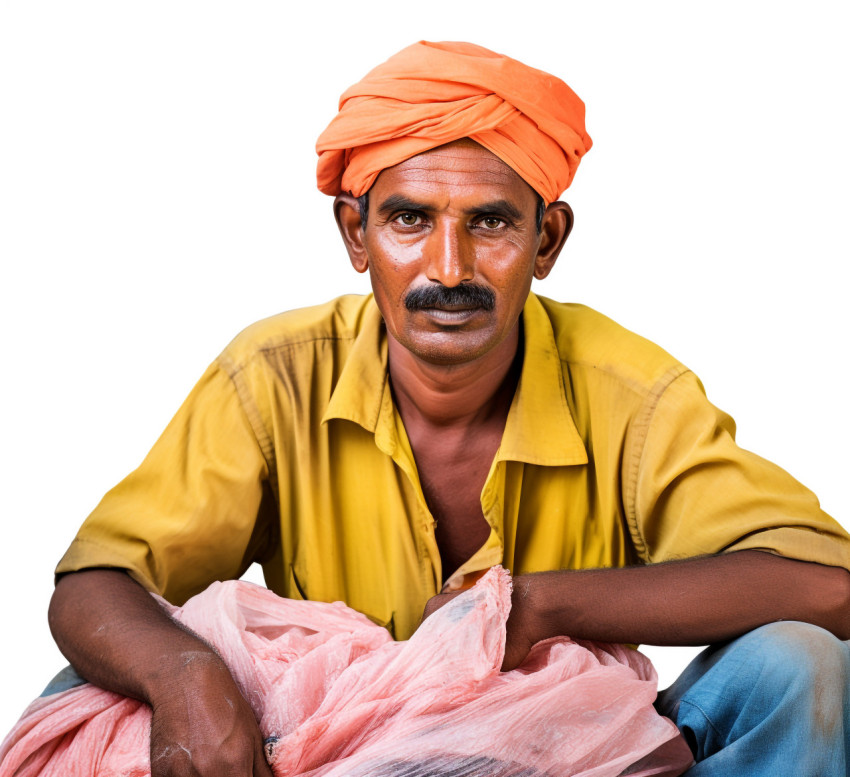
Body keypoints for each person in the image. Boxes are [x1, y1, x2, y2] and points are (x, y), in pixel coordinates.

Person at [46, 41, 850, 776]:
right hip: (330, 751)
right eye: (409, 219)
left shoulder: (628, 391)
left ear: (547, 241)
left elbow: (830, 587)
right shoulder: (272, 375)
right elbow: (95, 587)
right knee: (88, 686)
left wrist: (537, 604)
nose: (449, 265)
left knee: (801, 664)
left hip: (573, 753)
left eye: (491, 221)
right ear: (356, 236)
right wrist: (189, 678)